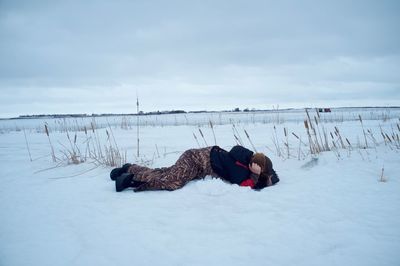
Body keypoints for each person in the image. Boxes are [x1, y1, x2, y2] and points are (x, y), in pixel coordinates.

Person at [110, 145, 279, 192]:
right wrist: (257, 175)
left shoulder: (244, 165)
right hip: (195, 159)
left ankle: (129, 168)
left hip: (198, 167)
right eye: (255, 163)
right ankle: (131, 180)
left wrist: (263, 174)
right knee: (173, 181)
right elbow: (244, 183)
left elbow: (271, 176)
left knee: (164, 173)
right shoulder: (241, 166)